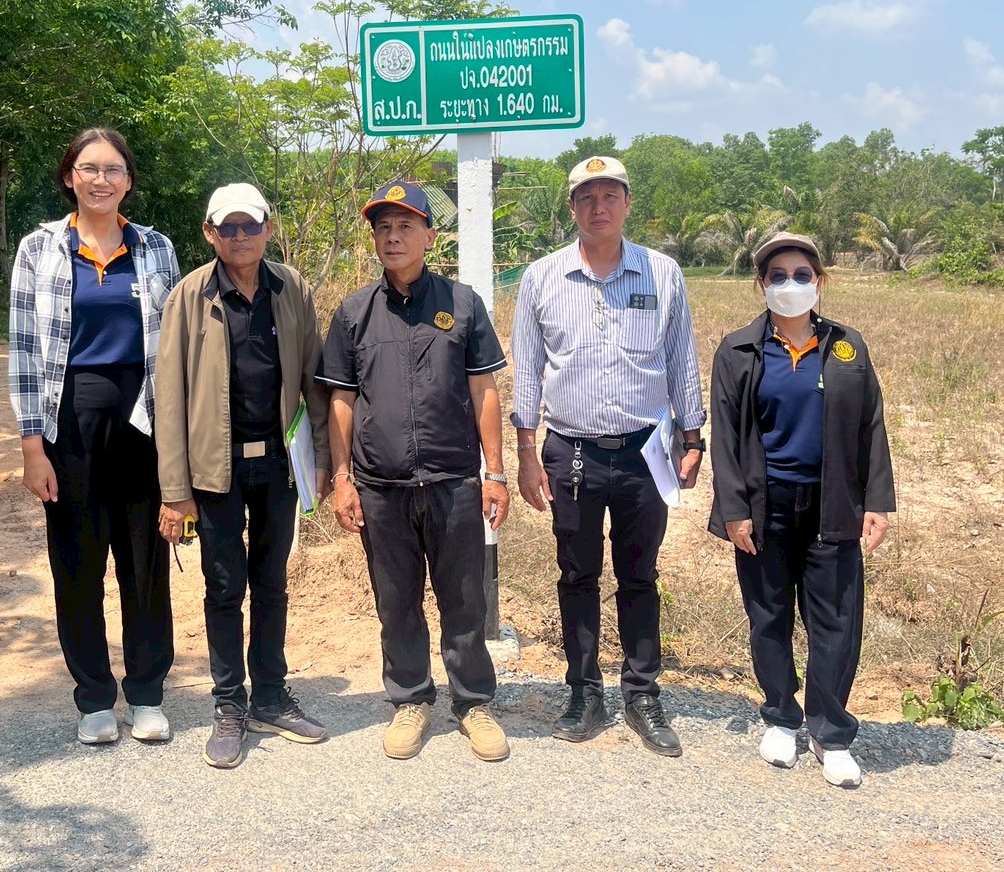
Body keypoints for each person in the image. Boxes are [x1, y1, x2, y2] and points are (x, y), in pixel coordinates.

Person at [511, 155, 705, 757]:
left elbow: (681, 357)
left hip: (646, 452)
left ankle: (642, 694)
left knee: (640, 576)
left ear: (627, 203)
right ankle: (584, 692)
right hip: (570, 451)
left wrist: (693, 437)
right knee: (577, 574)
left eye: (610, 195)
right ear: (572, 207)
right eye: (587, 197)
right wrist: (525, 451)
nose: (599, 207)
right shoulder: (542, 277)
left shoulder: (662, 273)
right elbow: (527, 368)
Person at [315, 181, 512, 762]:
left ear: (430, 235)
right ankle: (410, 699)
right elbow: (341, 400)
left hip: (454, 482)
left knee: (465, 600)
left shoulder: (463, 304)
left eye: (405, 226)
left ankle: (473, 703)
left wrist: (495, 472)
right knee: (396, 601)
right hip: (382, 487)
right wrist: (343, 479)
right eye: (384, 228)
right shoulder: (354, 313)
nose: (393, 237)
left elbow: (484, 390)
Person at [9, 127, 180, 744]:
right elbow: (25, 352)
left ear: (128, 181)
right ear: (69, 177)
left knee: (145, 562)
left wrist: (179, 443)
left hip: (144, 421)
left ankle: (148, 694)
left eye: (113, 170)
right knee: (77, 565)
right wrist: (33, 447)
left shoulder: (156, 248)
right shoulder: (39, 249)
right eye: (89, 168)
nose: (100, 179)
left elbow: (175, 347)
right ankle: (94, 701)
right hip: (71, 423)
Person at [708, 231, 895, 788]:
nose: (790, 284)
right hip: (765, 507)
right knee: (769, 616)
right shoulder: (738, 351)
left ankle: (831, 732)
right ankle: (781, 718)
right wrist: (734, 508)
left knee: (836, 620)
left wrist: (876, 501)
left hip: (832, 504)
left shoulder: (847, 347)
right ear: (761, 284)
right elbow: (726, 439)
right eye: (778, 276)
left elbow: (872, 425)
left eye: (802, 275)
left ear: (820, 282)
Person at [154, 182, 331, 769]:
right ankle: (230, 704)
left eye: (249, 225)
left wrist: (322, 459)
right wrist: (175, 490)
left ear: (267, 229)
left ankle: (271, 696)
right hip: (215, 468)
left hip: (278, 462)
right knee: (224, 588)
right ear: (209, 233)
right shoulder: (188, 297)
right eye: (226, 227)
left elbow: (314, 378)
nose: (239, 236)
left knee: (272, 583)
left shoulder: (292, 288)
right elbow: (169, 397)